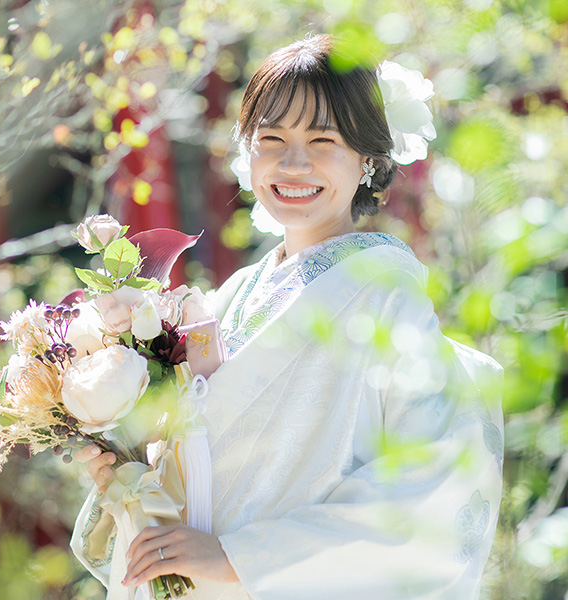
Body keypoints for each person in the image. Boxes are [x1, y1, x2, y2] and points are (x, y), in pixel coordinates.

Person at [73, 34, 503, 600]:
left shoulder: (386, 297)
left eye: (322, 139)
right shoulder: (233, 295)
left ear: (368, 160)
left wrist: (239, 559)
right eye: (271, 138)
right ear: (246, 153)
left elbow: (429, 488)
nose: (293, 162)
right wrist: (130, 474)